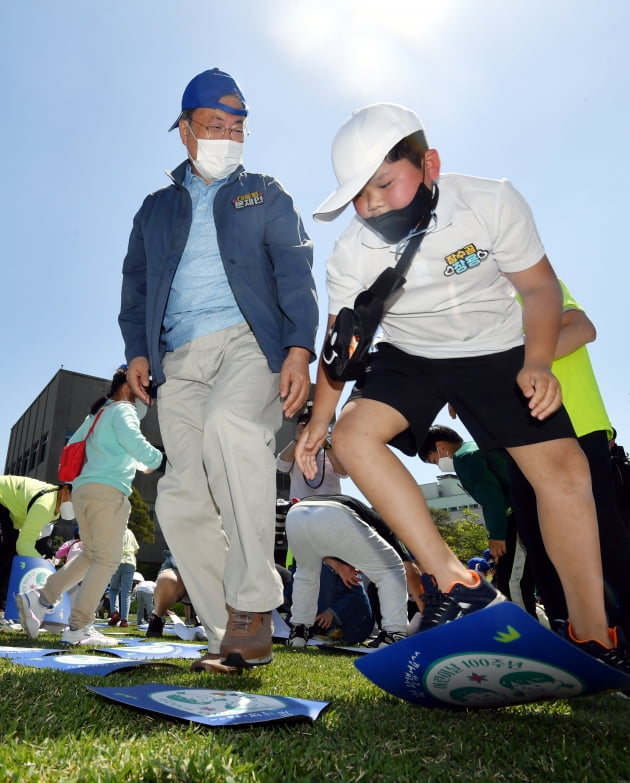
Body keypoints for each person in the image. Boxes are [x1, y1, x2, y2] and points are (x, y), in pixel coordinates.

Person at [296, 102, 630, 674]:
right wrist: (319, 422)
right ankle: (456, 582)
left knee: (567, 472)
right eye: (358, 192)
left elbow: (542, 289)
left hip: (497, 348)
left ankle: (595, 636)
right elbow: (341, 346)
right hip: (410, 354)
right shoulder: (350, 253)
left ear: (429, 165)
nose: (371, 203)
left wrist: (540, 362)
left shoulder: (490, 201)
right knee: (353, 439)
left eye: (383, 183)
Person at [118, 68, 318, 671]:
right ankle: (223, 628)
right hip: (179, 360)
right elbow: (137, 285)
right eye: (215, 126)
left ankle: (254, 604)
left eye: (238, 127)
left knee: (234, 429)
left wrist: (299, 350)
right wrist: (137, 349)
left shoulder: (264, 191)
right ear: (185, 131)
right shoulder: (154, 209)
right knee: (179, 495)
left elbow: (294, 270)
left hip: (248, 345)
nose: (228, 136)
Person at [505, 281, 630, 635]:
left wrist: (514, 369)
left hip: (577, 423)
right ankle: (569, 636)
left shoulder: (530, 287)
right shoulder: (475, 312)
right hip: (520, 438)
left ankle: (622, 632)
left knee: (600, 533)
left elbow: (582, 328)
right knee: (538, 539)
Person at [17, 366, 163, 646]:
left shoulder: (98, 413)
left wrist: (137, 461)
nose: (147, 398)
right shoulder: (123, 410)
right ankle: (79, 627)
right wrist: (160, 460)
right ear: (128, 385)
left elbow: (97, 449)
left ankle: (41, 598)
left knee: (90, 556)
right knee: (108, 559)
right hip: (107, 492)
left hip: (83, 490)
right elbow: (135, 443)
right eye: (145, 389)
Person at [419, 424, 537, 617]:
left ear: (441, 446)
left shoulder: (465, 458)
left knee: (512, 581)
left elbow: (491, 495)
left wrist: (496, 535)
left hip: (513, 518)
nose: (437, 465)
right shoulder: (478, 447)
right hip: (525, 512)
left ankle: (526, 631)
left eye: (433, 461)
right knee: (526, 577)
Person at [285, 495, 409, 649]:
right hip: (335, 512)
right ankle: (394, 633)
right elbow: (407, 567)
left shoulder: (362, 511)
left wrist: (339, 566)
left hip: (295, 515)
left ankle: (299, 632)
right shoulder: (384, 524)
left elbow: (318, 544)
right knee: (392, 568)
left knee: (306, 573)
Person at [0, 476, 74, 610]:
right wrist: (43, 564)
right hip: (2, 501)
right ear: (65, 489)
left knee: (10, 554)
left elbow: (33, 538)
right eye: (75, 499)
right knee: (6, 553)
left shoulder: (56, 512)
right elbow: (23, 544)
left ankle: (5, 604)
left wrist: (44, 559)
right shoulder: (45, 505)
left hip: (8, 512)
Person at [277, 407, 347, 500]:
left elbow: (343, 472)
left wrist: (325, 442)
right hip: (301, 506)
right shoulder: (294, 450)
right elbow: (281, 465)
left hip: (329, 505)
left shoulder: (330, 449)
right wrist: (297, 439)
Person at [107, 524, 139, 628]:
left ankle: (115, 613)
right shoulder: (130, 532)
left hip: (116, 561)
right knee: (126, 593)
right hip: (130, 562)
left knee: (113, 589)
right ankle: (124, 620)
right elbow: (136, 550)